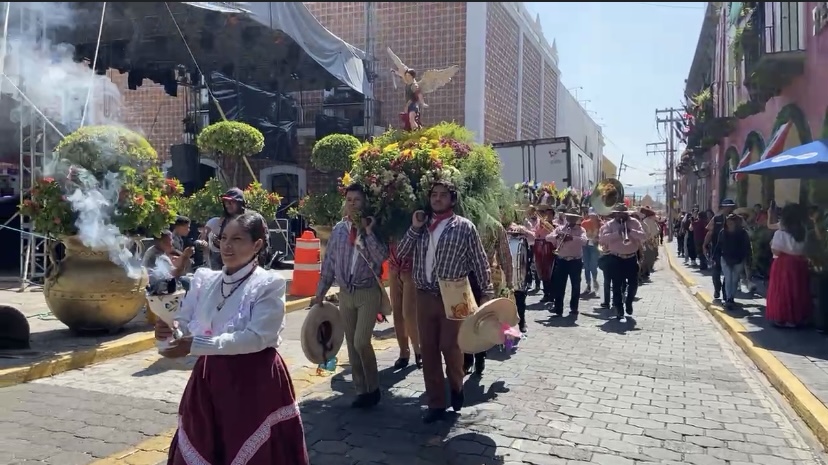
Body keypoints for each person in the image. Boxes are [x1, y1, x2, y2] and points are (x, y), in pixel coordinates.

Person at [156, 211, 309, 465]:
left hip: (255, 382)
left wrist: (195, 344)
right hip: (209, 381)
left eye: (237, 239)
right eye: (224, 237)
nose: (227, 245)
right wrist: (168, 333)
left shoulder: (268, 284)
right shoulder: (206, 280)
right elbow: (183, 324)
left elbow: (258, 337)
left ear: (257, 244)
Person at [396, 180, 492, 423]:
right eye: (434, 195)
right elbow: (402, 253)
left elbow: (479, 261)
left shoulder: (464, 227)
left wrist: (487, 292)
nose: (437, 199)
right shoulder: (421, 226)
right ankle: (436, 403)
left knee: (450, 346)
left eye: (442, 195)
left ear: (452, 199)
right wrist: (414, 227)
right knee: (428, 349)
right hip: (424, 294)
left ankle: (457, 386)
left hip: (454, 293)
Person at [314, 183, 388, 408]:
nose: (353, 204)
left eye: (357, 200)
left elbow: (380, 257)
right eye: (349, 200)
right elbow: (329, 263)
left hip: (367, 292)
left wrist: (368, 232)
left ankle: (374, 387)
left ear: (365, 203)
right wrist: (320, 293)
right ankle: (361, 390)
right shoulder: (338, 230)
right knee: (350, 344)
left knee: (361, 341)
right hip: (346, 294)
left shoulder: (373, 228)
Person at [464, 220, 513, 377]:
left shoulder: (494, 226)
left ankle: (477, 357)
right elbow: (506, 256)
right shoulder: (461, 223)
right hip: (464, 280)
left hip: (484, 279)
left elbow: (505, 255)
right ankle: (470, 357)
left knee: (478, 320)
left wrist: (509, 283)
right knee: (468, 320)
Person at [766, 204, 811, 328]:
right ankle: (796, 318)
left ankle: (783, 317)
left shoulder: (780, 233)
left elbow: (776, 251)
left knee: (782, 291)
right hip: (800, 264)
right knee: (798, 290)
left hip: (783, 264)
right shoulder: (803, 231)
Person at [600, 204, 647, 322]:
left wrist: (630, 232)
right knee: (616, 285)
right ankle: (619, 310)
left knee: (633, 284)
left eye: (623, 213)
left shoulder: (635, 222)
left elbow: (643, 236)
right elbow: (602, 239)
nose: (621, 216)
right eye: (619, 213)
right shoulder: (609, 225)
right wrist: (617, 233)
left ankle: (629, 302)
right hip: (615, 258)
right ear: (615, 214)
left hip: (631, 258)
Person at [547, 209, 588, 317]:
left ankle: (574, 308)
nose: (571, 220)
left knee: (575, 285)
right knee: (559, 285)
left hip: (575, 261)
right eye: (569, 217)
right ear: (567, 218)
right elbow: (548, 238)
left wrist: (572, 238)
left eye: (574, 218)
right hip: (562, 260)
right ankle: (558, 308)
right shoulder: (560, 229)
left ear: (576, 219)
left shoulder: (581, 230)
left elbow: (584, 241)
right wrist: (557, 236)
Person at [389, 237, 421, 370]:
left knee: (408, 313)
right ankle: (404, 351)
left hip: (411, 266)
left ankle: (419, 351)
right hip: (394, 265)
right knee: (396, 312)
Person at [715, 214, 752, 309]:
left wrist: (748, 259)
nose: (729, 224)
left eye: (732, 222)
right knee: (728, 278)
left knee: (735, 279)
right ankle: (728, 298)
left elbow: (747, 248)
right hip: (725, 258)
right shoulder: (723, 232)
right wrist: (715, 258)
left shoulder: (743, 233)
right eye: (728, 222)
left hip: (738, 259)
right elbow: (718, 246)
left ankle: (731, 297)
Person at [204, 188, 247, 271]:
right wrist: (219, 243)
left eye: (231, 202)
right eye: (226, 202)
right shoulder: (225, 220)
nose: (227, 205)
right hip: (225, 266)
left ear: (240, 202)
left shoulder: (252, 219)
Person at [703, 198, 736, 301]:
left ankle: (726, 292)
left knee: (729, 273)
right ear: (723, 207)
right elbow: (710, 232)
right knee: (716, 272)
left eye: (730, 206)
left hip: (731, 249)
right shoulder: (716, 219)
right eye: (726, 206)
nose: (728, 209)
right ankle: (717, 289)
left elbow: (744, 229)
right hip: (717, 248)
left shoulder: (737, 219)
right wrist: (705, 244)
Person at [581, 209, 601, 294]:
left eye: (594, 215)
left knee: (593, 265)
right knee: (586, 265)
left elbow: (603, 236)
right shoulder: (584, 223)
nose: (592, 217)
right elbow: (582, 233)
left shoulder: (601, 224)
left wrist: (597, 239)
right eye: (591, 215)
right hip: (586, 246)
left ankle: (594, 280)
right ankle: (588, 284)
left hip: (595, 247)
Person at [524, 206, 541, 291]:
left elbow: (536, 233)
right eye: (530, 211)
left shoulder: (540, 221)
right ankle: (529, 281)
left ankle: (537, 284)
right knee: (527, 264)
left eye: (533, 211)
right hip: (528, 244)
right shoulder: (527, 221)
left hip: (537, 244)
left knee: (537, 264)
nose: (531, 213)